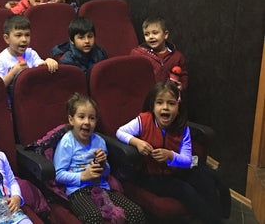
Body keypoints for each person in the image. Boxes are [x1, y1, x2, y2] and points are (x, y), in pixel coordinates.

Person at [116, 82, 230, 223]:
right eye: (160, 103)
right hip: (151, 175)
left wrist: (170, 156)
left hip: (176, 170)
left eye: (171, 103)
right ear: (153, 106)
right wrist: (137, 142)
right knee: (186, 191)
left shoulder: (182, 128)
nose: (165, 107)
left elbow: (187, 160)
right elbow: (120, 132)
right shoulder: (144, 120)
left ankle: (218, 218)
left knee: (207, 180)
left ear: (178, 108)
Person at [54, 93, 146, 224]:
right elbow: (58, 175)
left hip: (101, 187)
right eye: (81, 117)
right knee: (94, 217)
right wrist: (83, 176)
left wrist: (103, 165)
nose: (87, 122)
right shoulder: (67, 142)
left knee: (135, 211)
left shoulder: (99, 141)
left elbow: (106, 172)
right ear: (71, 120)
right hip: (77, 191)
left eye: (91, 118)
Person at [0, 15, 58, 88]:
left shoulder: (31, 53)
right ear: (7, 38)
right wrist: (13, 72)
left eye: (27, 35)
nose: (24, 39)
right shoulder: (1, 60)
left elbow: (40, 68)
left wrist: (48, 62)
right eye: (18, 35)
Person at [131, 16, 188, 90]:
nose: (150, 37)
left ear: (165, 35)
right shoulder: (138, 54)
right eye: (146, 34)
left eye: (155, 33)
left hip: (168, 94)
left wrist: (182, 86)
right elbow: (131, 75)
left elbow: (183, 75)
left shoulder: (177, 57)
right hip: (147, 94)